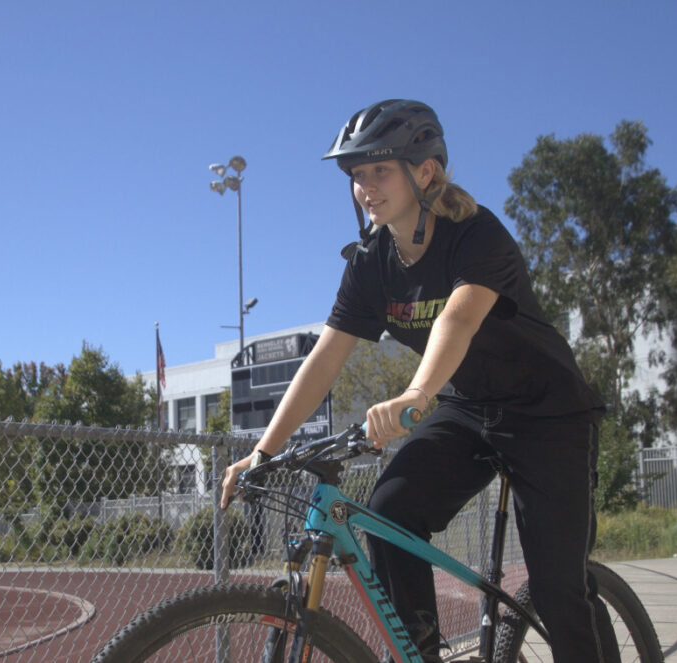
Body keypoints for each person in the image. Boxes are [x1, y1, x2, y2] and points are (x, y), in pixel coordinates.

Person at [221, 99, 619, 663]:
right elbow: (325, 359)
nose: (365, 186)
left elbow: (457, 317)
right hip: (465, 409)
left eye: (379, 170)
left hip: (545, 414)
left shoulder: (477, 235)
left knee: (559, 589)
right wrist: (263, 451)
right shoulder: (369, 263)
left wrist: (415, 394)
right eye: (357, 175)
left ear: (425, 171)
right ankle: (420, 655)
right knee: (386, 516)